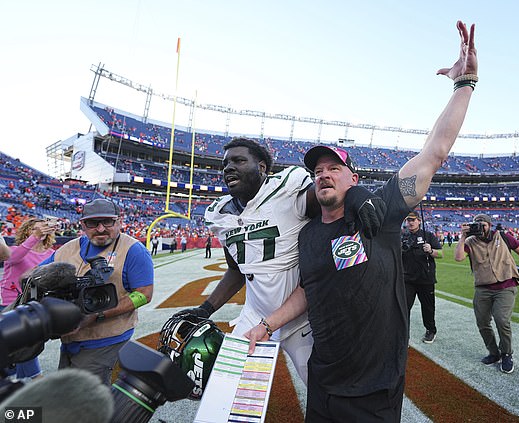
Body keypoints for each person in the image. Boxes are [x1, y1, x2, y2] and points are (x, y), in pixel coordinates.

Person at [244, 20, 478, 422]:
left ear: (354, 178)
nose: (323, 174)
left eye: (334, 167)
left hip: (374, 386)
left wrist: (465, 85)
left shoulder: (380, 213)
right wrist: (268, 323)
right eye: (317, 170)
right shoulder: (309, 233)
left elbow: (434, 152)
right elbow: (308, 288)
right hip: (323, 379)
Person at [173, 137, 384, 385]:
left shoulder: (286, 191)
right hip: (255, 315)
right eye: (225, 163)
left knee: (325, 390)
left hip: (302, 318)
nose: (228, 168)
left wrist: (358, 194)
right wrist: (206, 309)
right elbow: (236, 270)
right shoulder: (221, 215)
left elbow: (329, 194)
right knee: (225, 389)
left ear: (262, 167)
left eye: (239, 160)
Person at [39, 198, 154, 384]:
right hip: (69, 340)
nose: (101, 229)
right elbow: (36, 277)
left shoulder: (134, 250)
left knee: (89, 403)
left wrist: (98, 314)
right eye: (93, 223)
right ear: (82, 224)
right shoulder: (68, 249)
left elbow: (144, 294)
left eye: (107, 222)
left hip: (107, 342)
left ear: (119, 222)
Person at [454, 214, 519, 374]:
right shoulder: (470, 241)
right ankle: (493, 352)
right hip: (483, 288)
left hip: (505, 286)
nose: (480, 228)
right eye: (477, 225)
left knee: (502, 319)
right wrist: (462, 236)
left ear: (490, 225)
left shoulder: (502, 236)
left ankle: (507, 353)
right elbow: (459, 257)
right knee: (482, 322)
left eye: (483, 225)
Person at [0, 218, 56, 379]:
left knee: (26, 342)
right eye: (34, 230)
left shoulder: (51, 254)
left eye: (42, 230)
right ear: (27, 232)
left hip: (35, 302)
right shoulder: (15, 249)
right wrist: (35, 237)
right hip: (11, 302)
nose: (39, 233)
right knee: (24, 341)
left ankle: (18, 376)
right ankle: (37, 378)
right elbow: (13, 258)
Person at [401, 211, 443, 344]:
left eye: (413, 220)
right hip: (407, 278)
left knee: (428, 307)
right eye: (408, 220)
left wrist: (430, 251)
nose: (410, 222)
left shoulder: (428, 235)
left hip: (425, 278)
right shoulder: (401, 236)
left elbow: (441, 253)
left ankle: (431, 330)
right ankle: (403, 335)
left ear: (419, 220)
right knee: (404, 308)